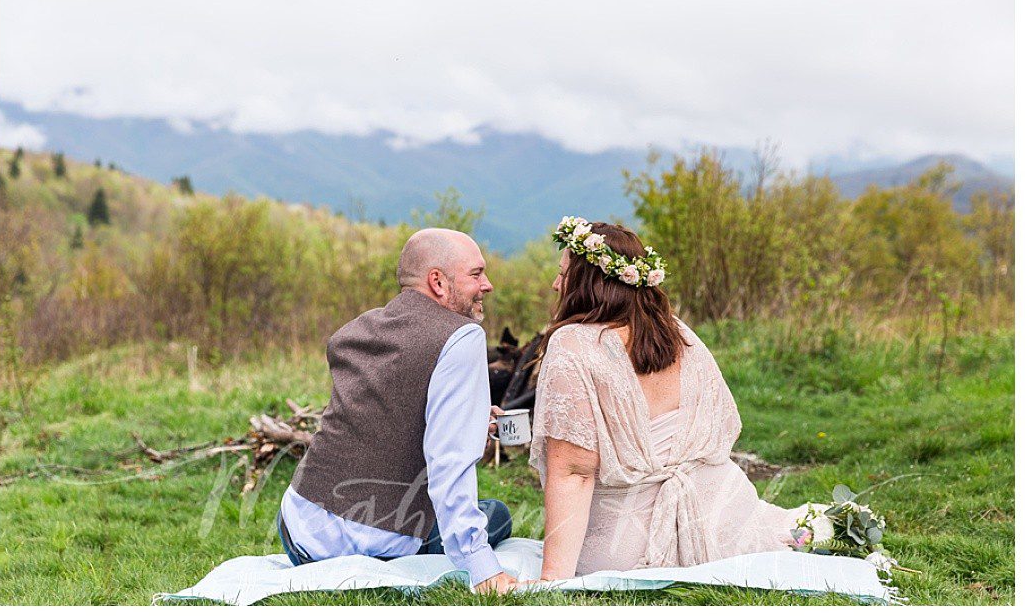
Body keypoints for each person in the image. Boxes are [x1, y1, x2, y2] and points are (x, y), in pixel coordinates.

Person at [527, 217, 798, 580]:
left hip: (627, 546)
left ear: (588, 284)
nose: (555, 284)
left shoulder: (572, 344)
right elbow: (726, 429)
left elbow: (574, 470)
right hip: (730, 526)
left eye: (563, 274)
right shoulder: (679, 333)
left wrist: (552, 579)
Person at [278, 228, 519, 595]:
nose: (487, 285)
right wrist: (481, 567)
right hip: (377, 540)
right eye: (476, 274)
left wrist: (468, 415)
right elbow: (449, 460)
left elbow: (380, 412)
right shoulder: (461, 336)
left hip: (300, 532)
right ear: (437, 282)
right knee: (496, 514)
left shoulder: (358, 328)